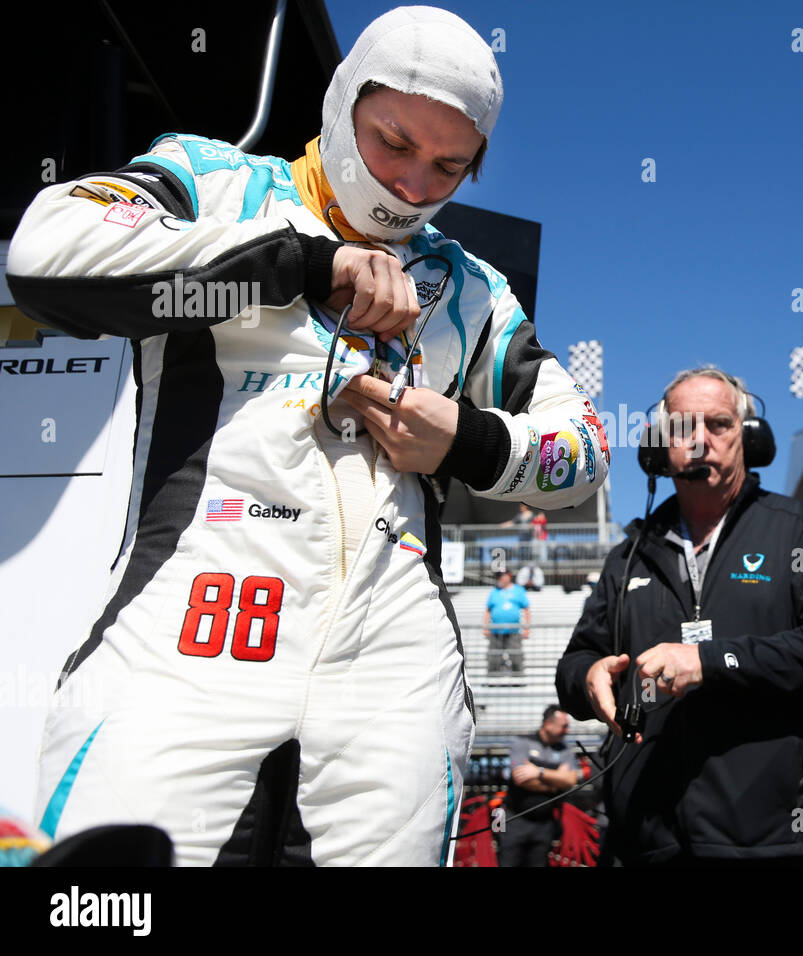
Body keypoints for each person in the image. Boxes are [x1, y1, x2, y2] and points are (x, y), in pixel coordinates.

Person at [7, 6, 608, 866]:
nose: (411, 186)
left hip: (392, 674)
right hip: (184, 647)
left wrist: (465, 443)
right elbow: (48, 254)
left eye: (448, 166)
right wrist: (299, 264)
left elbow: (584, 450)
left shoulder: (473, 291)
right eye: (392, 143)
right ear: (340, 104)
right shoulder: (213, 178)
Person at [555, 367, 803, 866]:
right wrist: (587, 676)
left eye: (719, 424)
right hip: (646, 846)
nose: (700, 440)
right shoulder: (629, 554)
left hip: (775, 847)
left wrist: (711, 661)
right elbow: (576, 663)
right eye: (684, 428)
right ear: (660, 447)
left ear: (748, 436)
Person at [497, 705, 583, 867]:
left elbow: (571, 780)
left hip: (545, 824)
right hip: (513, 819)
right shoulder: (522, 742)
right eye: (564, 726)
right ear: (548, 724)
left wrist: (539, 772)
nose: (567, 730)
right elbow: (520, 778)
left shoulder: (565, 750)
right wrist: (556, 784)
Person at [483, 570, 531, 676]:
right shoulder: (494, 591)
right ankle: (492, 680)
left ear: (509, 576)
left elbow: (526, 609)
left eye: (502, 576)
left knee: (516, 656)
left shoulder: (518, 590)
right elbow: (488, 610)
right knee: (494, 657)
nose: (500, 578)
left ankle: (518, 680)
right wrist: (485, 627)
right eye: (498, 576)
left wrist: (527, 628)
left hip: (513, 631)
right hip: (496, 631)